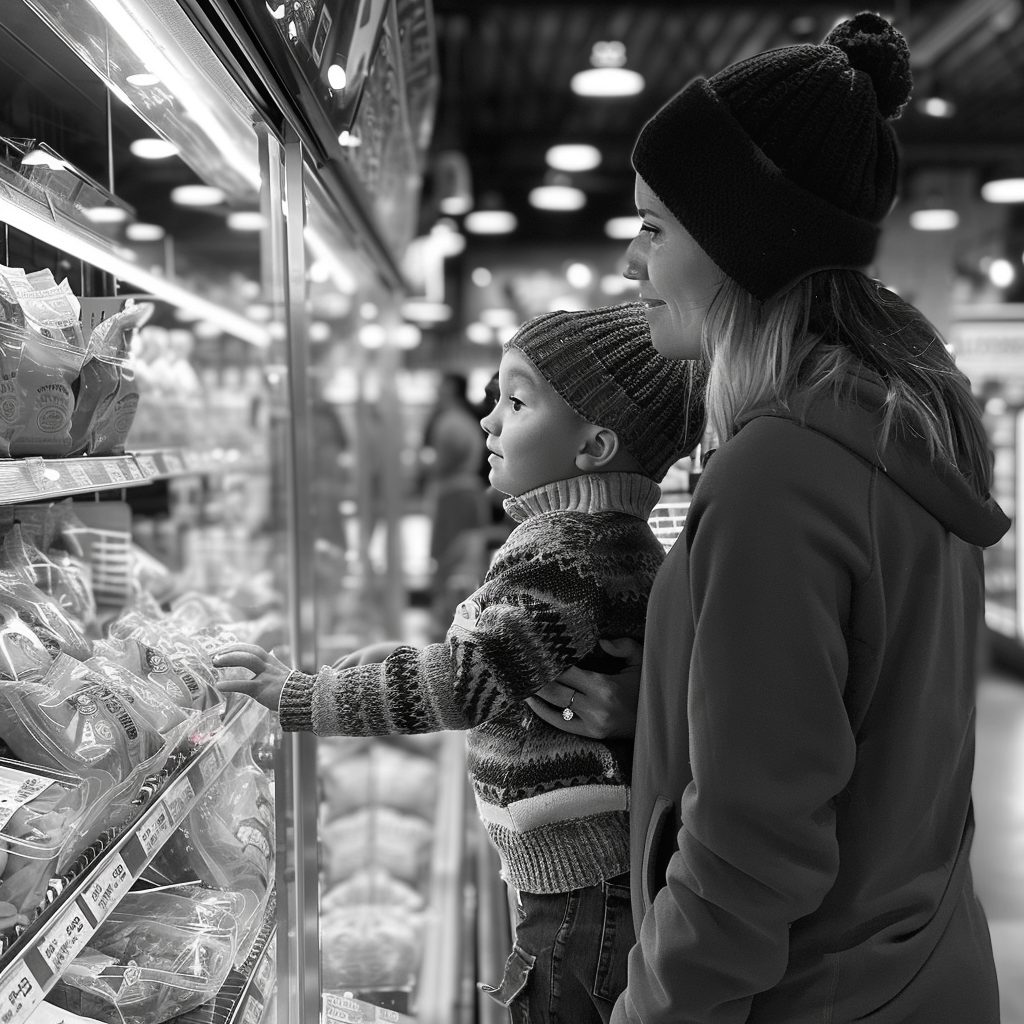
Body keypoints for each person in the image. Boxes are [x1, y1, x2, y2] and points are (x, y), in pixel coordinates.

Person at [527, 12, 1010, 1023]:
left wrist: (647, 1011)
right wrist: (664, 713)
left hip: (810, 994)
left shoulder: (776, 474)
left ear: (737, 245)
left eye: (654, 227)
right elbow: (872, 722)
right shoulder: (895, 428)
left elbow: (752, 853)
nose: (628, 262)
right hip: (919, 970)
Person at [213, 302, 706, 1024]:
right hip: (589, 871)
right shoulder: (603, 541)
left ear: (595, 446)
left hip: (579, 886)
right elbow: (490, 663)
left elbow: (466, 682)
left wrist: (305, 696)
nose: (488, 421)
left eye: (516, 400)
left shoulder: (563, 558)